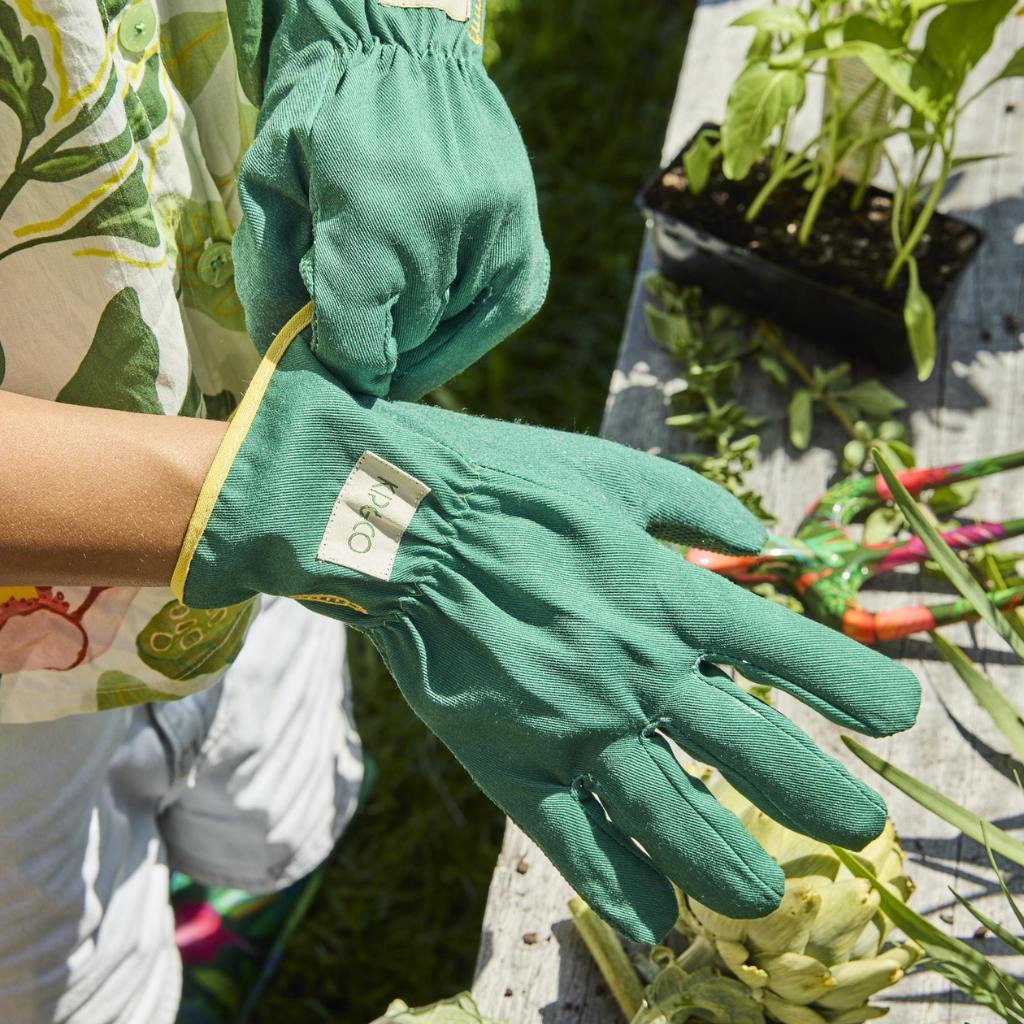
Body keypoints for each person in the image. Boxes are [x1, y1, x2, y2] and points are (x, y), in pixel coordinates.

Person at [0, 1, 921, 1021]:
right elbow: (285, 494)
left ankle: (222, 889)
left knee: (263, 797)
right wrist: (310, 499)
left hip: (224, 302)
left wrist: (368, 36)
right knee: (56, 940)